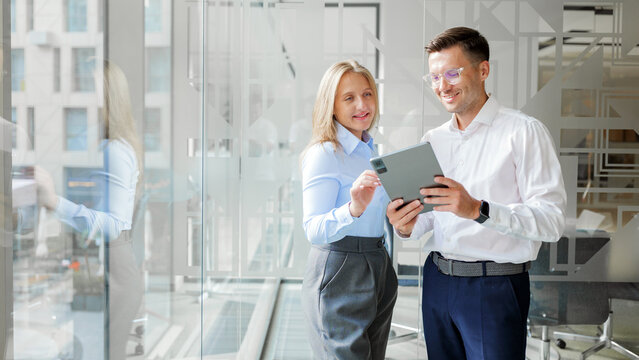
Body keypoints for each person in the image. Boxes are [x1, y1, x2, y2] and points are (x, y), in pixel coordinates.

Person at [386, 27, 567, 359]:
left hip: (494, 286)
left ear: (483, 70)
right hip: (438, 281)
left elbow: (552, 221)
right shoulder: (433, 139)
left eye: (452, 73)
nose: (443, 86)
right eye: (435, 77)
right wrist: (406, 224)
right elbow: (432, 218)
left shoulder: (523, 132)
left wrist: (478, 209)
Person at [36, 60, 144, 360]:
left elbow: (114, 225)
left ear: (109, 99)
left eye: (90, 90)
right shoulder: (112, 147)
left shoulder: (114, 151)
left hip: (119, 276)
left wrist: (55, 202)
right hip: (115, 271)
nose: (83, 97)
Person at [301, 59, 397, 359]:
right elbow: (312, 229)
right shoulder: (325, 153)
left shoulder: (371, 151)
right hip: (340, 267)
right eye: (349, 97)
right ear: (331, 105)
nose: (362, 104)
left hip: (378, 263)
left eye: (367, 94)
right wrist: (352, 209)